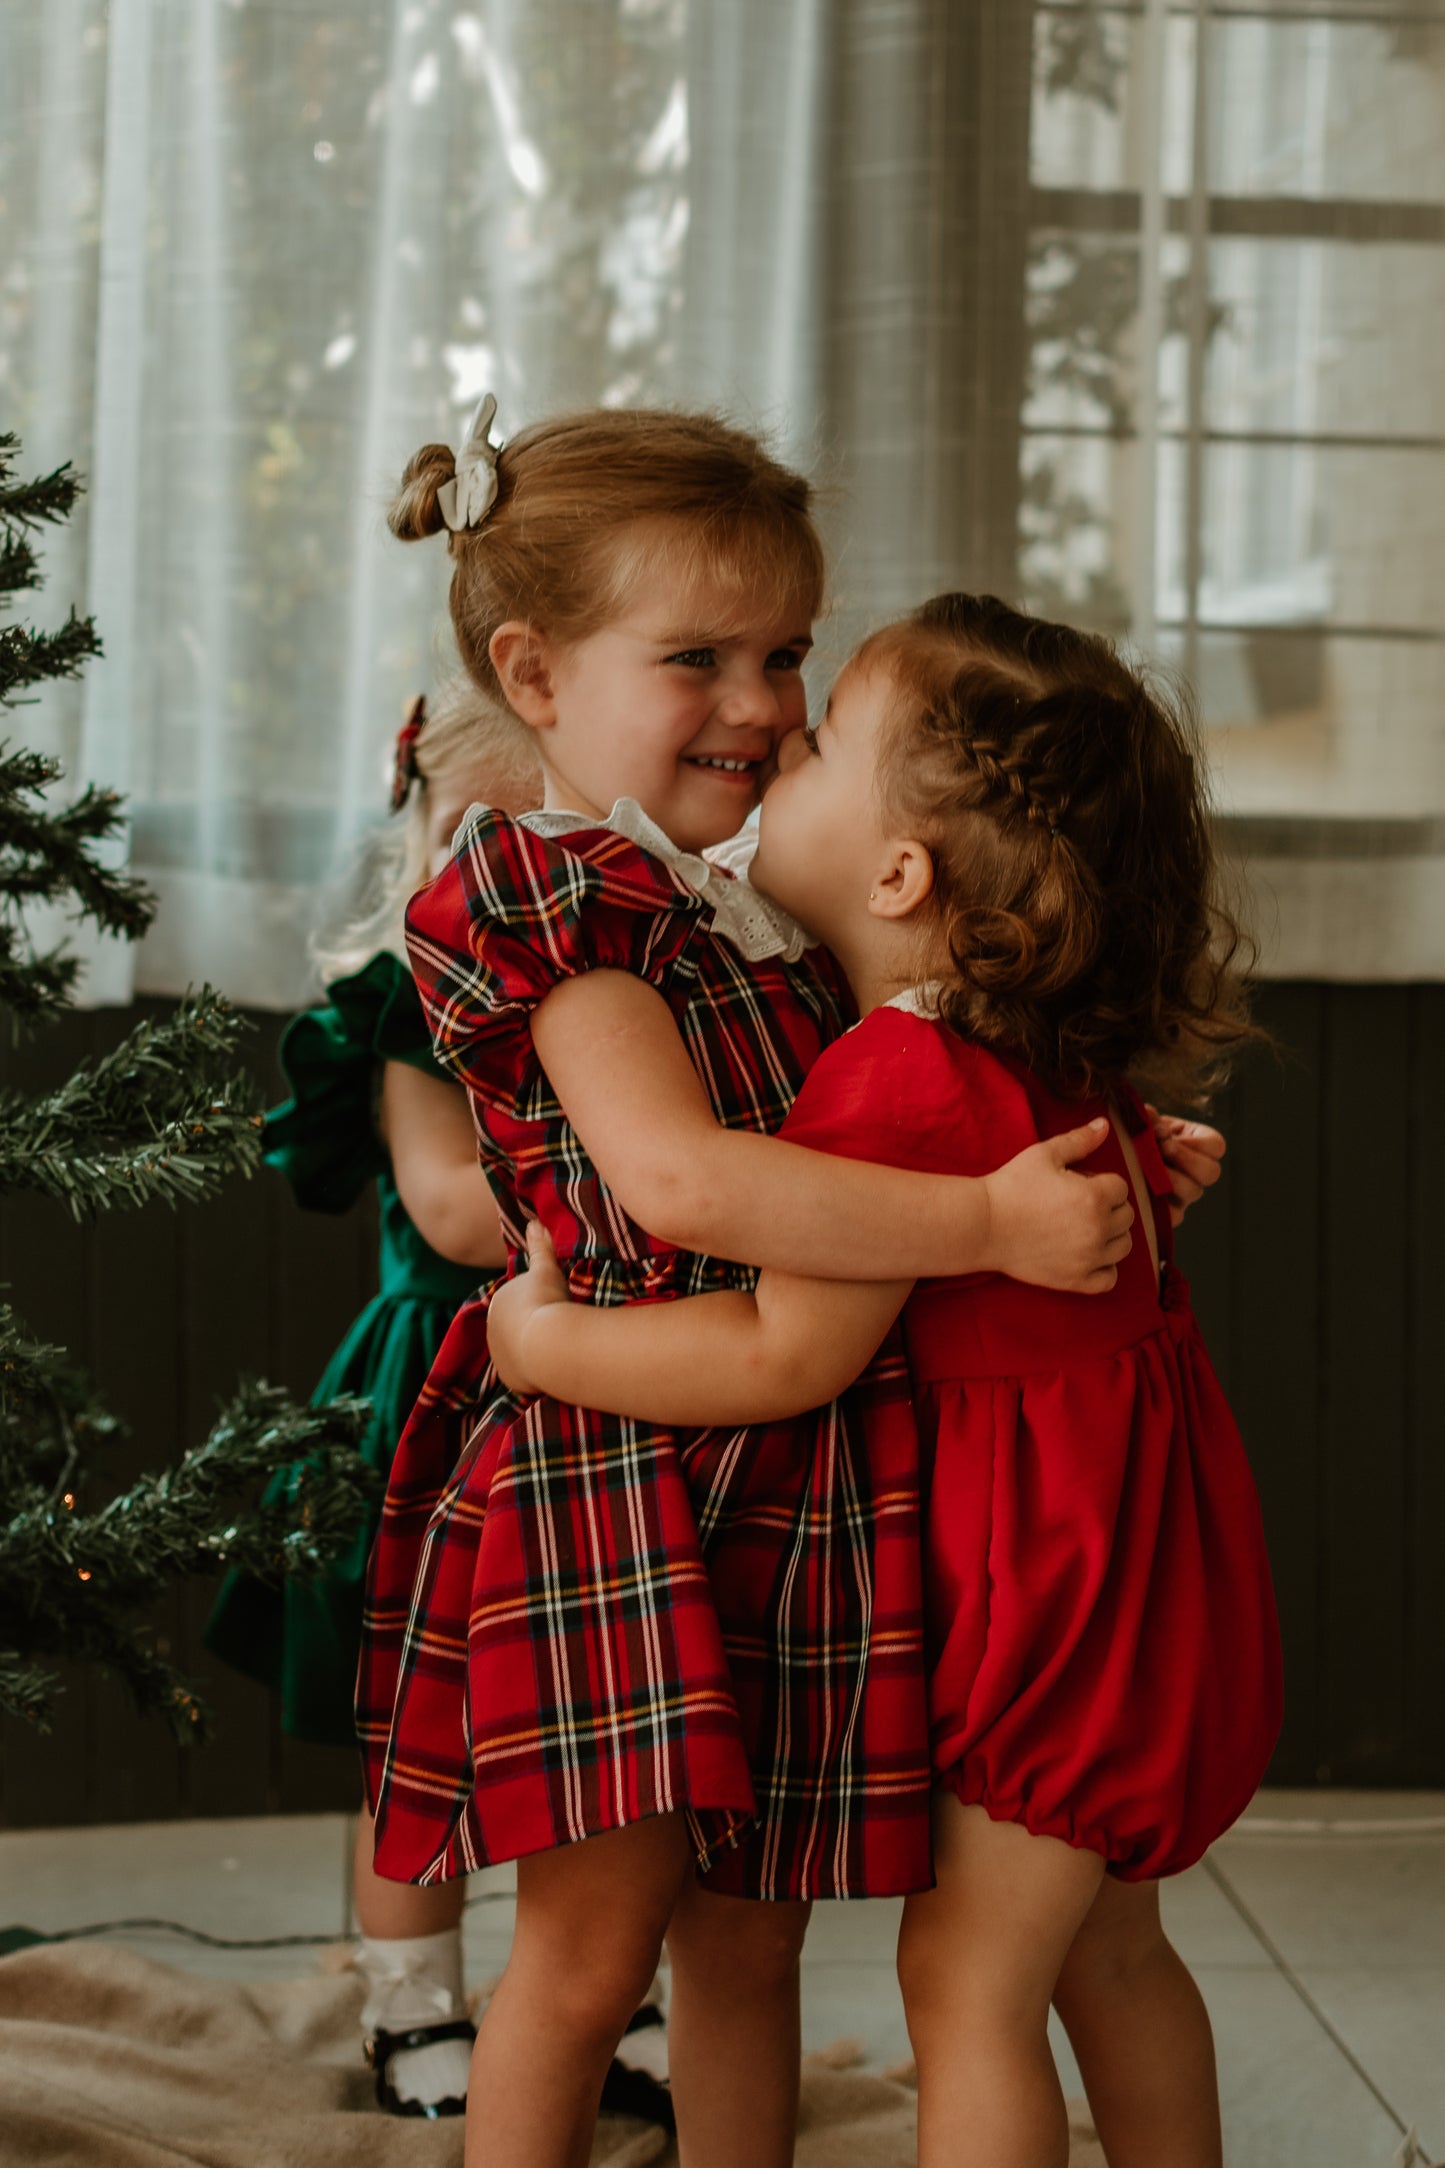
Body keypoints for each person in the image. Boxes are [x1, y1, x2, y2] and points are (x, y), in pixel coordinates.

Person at [357, 405, 1221, 2168]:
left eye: (785, 659)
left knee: (748, 1942)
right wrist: (985, 1228)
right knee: (589, 1956)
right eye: (698, 660)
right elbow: (676, 1177)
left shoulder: (751, 898)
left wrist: (1094, 1144)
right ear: (534, 672)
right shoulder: (561, 908)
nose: (761, 704)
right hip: (625, 1453)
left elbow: (923, 1065)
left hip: (804, 1489)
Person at [205, 686, 536, 2119]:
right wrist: (641, 1192)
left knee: (603, 1724)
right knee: (427, 1728)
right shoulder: (419, 990)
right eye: (475, 834)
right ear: (422, 833)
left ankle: (618, 1995)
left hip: (592, 1386)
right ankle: (412, 2007)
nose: (503, 872)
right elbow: (454, 1209)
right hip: (441, 1394)